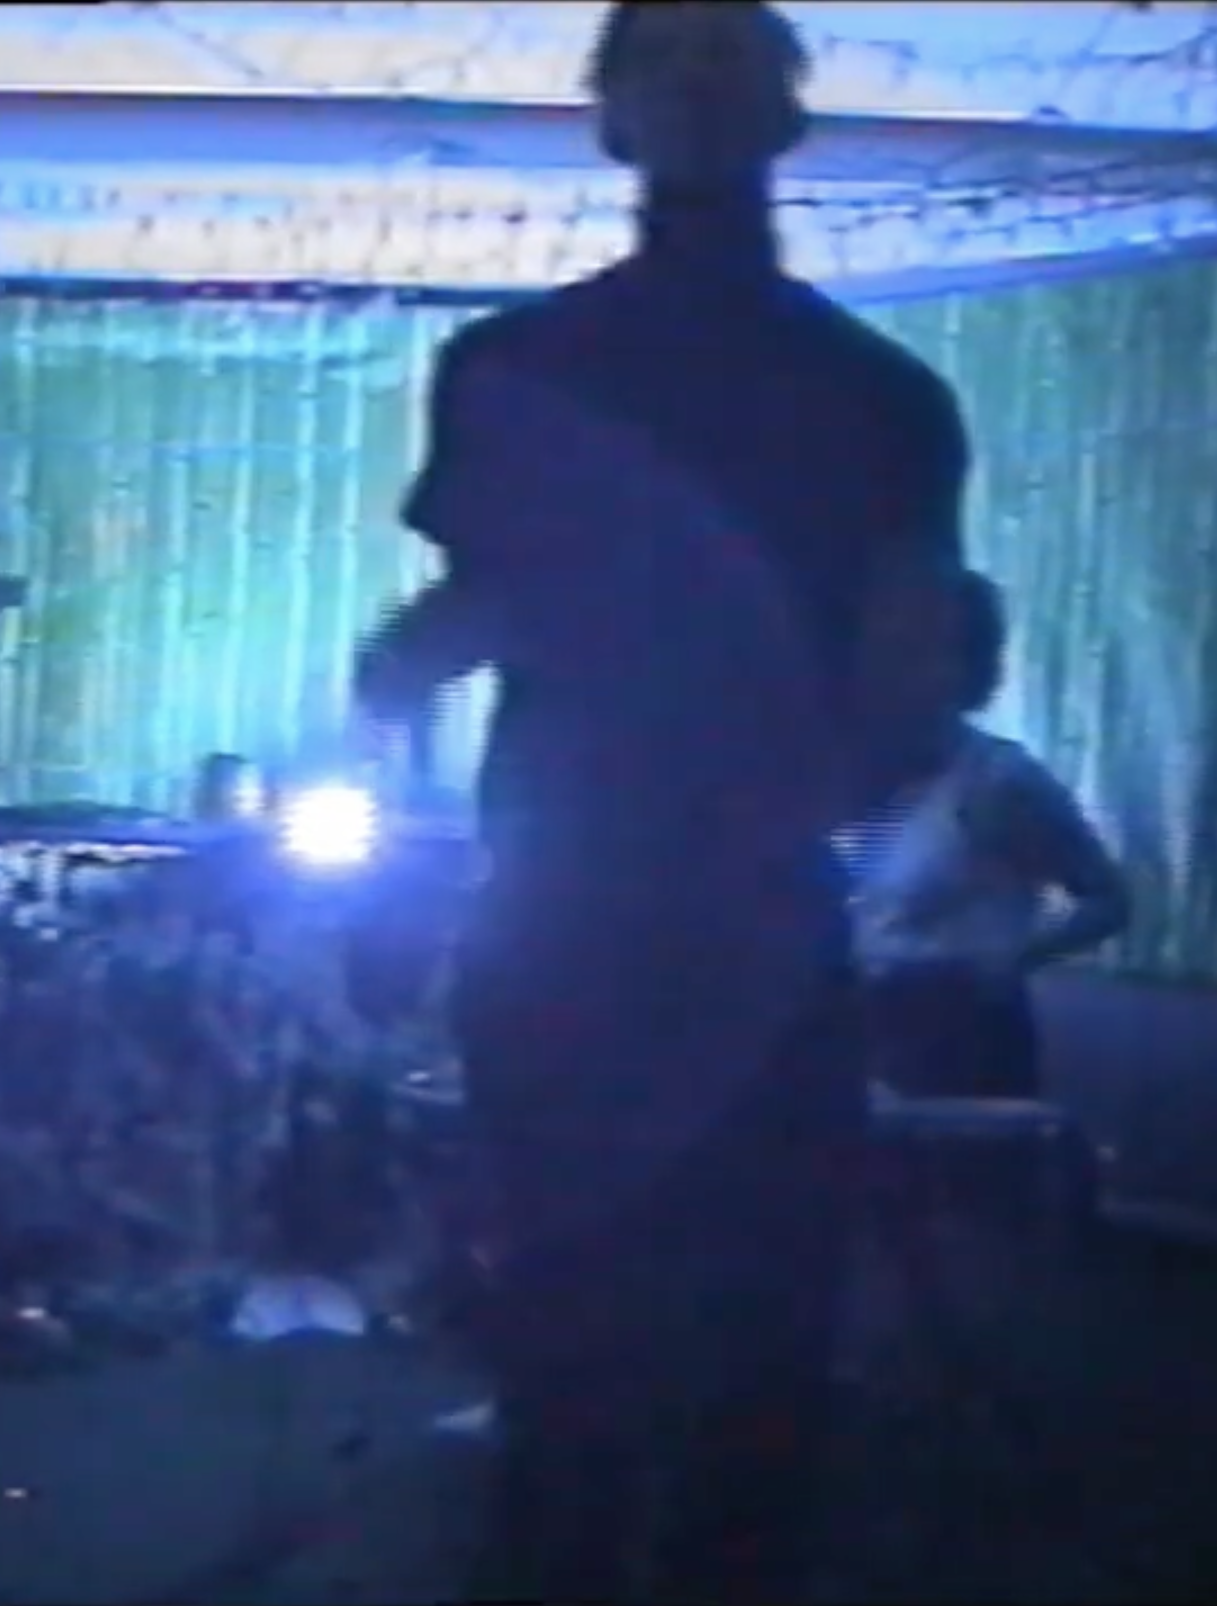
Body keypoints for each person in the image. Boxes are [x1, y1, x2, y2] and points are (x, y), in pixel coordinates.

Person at [354, 5, 972, 1600]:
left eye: (726, 54)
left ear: (786, 114)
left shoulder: (871, 397)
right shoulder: (522, 370)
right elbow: (474, 609)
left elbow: (906, 665)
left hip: (702, 913)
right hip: (597, 910)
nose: (697, 82)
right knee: (585, 1327)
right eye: (666, 56)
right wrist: (389, 731)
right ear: (612, 117)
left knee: (721, 1341)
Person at [840, 569, 1131, 1102]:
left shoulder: (998, 781)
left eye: (924, 653)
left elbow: (1109, 901)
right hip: (861, 1034)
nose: (899, 673)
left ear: (968, 669)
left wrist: (1001, 961)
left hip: (961, 1042)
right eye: (890, 653)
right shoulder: (854, 777)